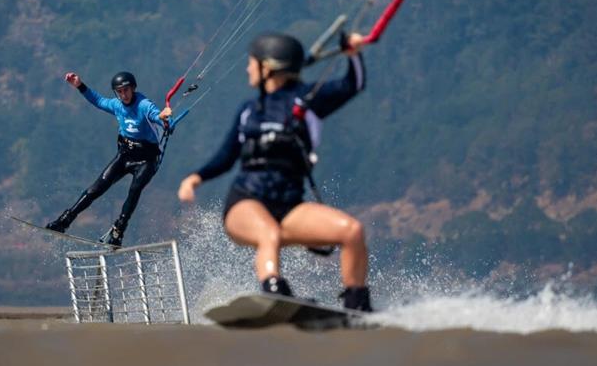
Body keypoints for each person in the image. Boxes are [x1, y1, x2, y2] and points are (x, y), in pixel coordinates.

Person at [177, 32, 373, 311]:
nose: (247, 68)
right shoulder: (249, 110)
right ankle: (276, 294)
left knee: (352, 231)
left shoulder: (308, 101)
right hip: (245, 202)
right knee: (269, 233)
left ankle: (357, 307)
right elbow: (226, 156)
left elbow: (354, 84)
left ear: (267, 67)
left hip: (290, 207)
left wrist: (353, 54)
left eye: (251, 63)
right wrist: (195, 178)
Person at [46, 70, 172, 246]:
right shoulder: (116, 104)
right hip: (125, 155)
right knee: (95, 189)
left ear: (133, 88)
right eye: (119, 91)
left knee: (134, 190)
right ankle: (64, 221)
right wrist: (79, 85)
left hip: (146, 160)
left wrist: (163, 118)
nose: (123, 94)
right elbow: (98, 100)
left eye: (126, 90)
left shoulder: (144, 104)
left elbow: (156, 115)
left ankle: (118, 231)